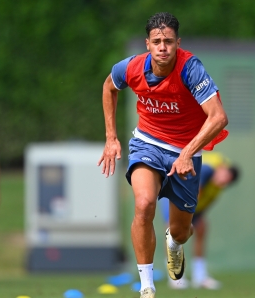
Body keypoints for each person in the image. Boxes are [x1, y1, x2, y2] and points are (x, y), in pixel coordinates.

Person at [97, 12, 229, 298]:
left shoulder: (190, 68)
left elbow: (218, 117)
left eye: (168, 41)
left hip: (185, 152)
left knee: (181, 231)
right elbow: (109, 87)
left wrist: (188, 153)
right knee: (144, 204)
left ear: (177, 43)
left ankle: (175, 243)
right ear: (147, 44)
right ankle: (147, 287)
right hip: (147, 143)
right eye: (157, 41)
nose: (163, 47)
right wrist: (111, 138)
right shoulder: (131, 67)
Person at [159, 152, 239, 290]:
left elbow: (205, 201)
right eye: (225, 175)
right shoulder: (208, 169)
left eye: (228, 180)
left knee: (201, 227)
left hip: (192, 206)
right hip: (175, 195)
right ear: (222, 168)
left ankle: (200, 276)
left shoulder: (217, 185)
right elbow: (193, 192)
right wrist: (184, 218)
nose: (224, 180)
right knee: (172, 231)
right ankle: (175, 276)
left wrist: (197, 216)